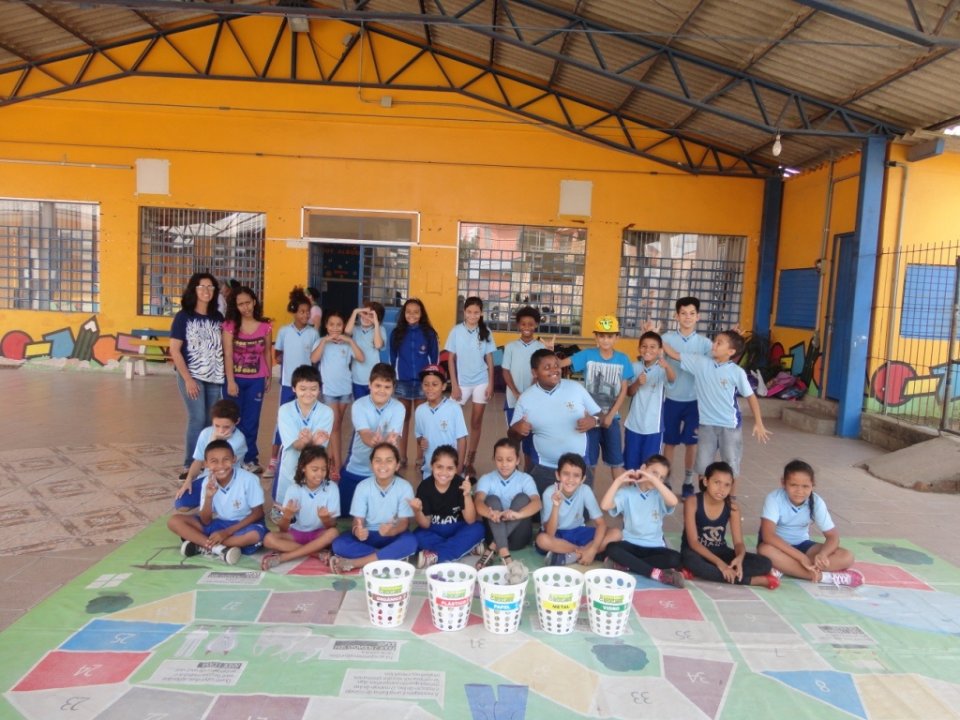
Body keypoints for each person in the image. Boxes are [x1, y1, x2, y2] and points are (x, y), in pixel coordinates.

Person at [661, 330, 771, 484]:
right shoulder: (700, 363)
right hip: (706, 425)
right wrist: (655, 336)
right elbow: (674, 354)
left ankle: (730, 500)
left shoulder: (737, 372)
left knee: (731, 467)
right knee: (703, 467)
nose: (714, 344)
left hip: (730, 426)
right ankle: (703, 498)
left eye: (719, 343)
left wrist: (758, 422)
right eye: (715, 341)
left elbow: (751, 397)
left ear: (731, 351)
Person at [509, 349, 601, 498]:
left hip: (577, 469)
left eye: (556, 365)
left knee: (581, 516)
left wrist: (594, 421)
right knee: (538, 516)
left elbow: (601, 416)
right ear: (534, 373)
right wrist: (517, 429)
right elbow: (512, 437)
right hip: (544, 469)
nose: (554, 370)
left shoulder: (576, 388)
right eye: (547, 367)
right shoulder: (526, 399)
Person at [757, 460, 864, 586]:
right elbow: (768, 536)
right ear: (783, 483)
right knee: (765, 551)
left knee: (847, 556)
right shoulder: (774, 499)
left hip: (803, 545)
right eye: (793, 485)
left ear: (813, 486)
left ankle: (785, 568)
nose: (799, 491)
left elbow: (833, 536)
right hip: (778, 547)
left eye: (805, 486)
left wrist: (823, 554)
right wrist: (801, 558)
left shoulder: (816, 502)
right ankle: (824, 577)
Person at [559, 315, 634, 490]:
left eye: (609, 336)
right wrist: (548, 351)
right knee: (589, 462)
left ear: (617, 337)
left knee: (616, 462)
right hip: (589, 420)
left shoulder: (623, 359)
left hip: (611, 420)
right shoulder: (587, 355)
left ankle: (621, 499)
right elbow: (561, 363)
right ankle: (586, 499)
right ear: (596, 337)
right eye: (601, 335)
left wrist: (611, 415)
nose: (605, 340)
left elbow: (623, 390)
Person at [168, 439, 267, 565]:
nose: (221, 466)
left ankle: (201, 543)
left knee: (255, 535)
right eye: (214, 461)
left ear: (234, 459)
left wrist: (226, 533)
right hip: (220, 523)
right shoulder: (207, 482)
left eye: (226, 459)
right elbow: (206, 521)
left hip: (244, 524)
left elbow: (258, 514)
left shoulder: (249, 479)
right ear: (206, 465)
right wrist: (209, 497)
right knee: (174, 521)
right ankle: (217, 548)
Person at [681, 461, 778, 588]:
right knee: (691, 562)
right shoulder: (692, 502)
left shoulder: (732, 508)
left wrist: (739, 558)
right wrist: (720, 564)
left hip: (720, 551)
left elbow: (738, 543)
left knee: (765, 563)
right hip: (696, 552)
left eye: (727, 485)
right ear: (706, 481)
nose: (721, 489)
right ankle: (752, 581)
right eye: (717, 483)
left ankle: (707, 572)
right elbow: (693, 542)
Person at [329, 442, 418, 574]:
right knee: (339, 544)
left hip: (393, 536)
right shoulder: (363, 487)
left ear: (397, 465)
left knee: (410, 542)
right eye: (378, 461)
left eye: (389, 461)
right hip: (368, 538)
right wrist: (357, 530)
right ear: (371, 465)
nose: (383, 465)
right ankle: (389, 556)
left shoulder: (404, 487)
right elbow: (357, 521)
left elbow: (404, 523)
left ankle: (354, 563)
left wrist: (392, 531)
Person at [169, 272, 225, 479]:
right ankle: (189, 464)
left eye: (210, 287)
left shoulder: (218, 318)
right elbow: (175, 350)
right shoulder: (183, 316)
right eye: (202, 287)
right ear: (194, 290)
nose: (206, 291)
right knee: (197, 418)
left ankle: (206, 461)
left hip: (214, 377)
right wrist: (188, 379)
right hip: (191, 376)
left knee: (211, 421)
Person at [600, 454, 685, 587]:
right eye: (654, 472)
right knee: (612, 549)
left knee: (675, 558)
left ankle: (627, 565)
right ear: (643, 468)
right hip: (629, 544)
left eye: (661, 477)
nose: (656, 478)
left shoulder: (661, 494)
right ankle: (656, 573)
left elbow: (673, 501)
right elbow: (605, 505)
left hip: (655, 547)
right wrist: (618, 481)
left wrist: (654, 479)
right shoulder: (627, 493)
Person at [657, 297, 713, 496]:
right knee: (669, 442)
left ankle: (689, 481)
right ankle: (667, 480)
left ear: (698, 317)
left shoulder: (706, 344)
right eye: (683, 313)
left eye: (691, 313)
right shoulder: (665, 340)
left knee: (692, 443)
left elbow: (708, 368)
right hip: (671, 399)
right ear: (676, 316)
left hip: (695, 401)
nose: (687, 317)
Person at [266, 287, 321, 478]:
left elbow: (316, 359)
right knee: (282, 420)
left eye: (308, 312)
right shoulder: (284, 332)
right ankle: (274, 461)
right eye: (302, 311)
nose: (306, 315)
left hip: (306, 386)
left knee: (305, 421)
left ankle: (303, 460)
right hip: (288, 385)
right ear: (294, 312)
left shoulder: (313, 334)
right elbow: (278, 355)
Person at [338, 363, 406, 513]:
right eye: (378, 385)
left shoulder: (398, 407)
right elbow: (365, 436)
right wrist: (376, 441)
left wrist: (384, 442)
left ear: (393, 387)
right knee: (342, 516)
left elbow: (391, 439)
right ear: (369, 384)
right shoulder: (359, 405)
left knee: (387, 517)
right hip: (356, 469)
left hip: (384, 472)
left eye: (387, 387)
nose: (382, 390)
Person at [260, 445, 339, 571]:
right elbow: (283, 529)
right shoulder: (294, 489)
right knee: (268, 539)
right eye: (315, 469)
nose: (320, 474)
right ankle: (315, 553)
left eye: (324, 469)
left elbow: (331, 527)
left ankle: (284, 557)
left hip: (318, 535)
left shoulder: (332, 488)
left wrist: (325, 519)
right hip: (295, 535)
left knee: (333, 534)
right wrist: (287, 515)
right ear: (303, 468)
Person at [408, 445, 485, 569]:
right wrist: (417, 511)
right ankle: (465, 547)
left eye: (450, 468)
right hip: (434, 530)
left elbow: (470, 520)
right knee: (416, 536)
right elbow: (425, 524)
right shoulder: (425, 487)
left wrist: (467, 495)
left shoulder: (460, 484)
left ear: (456, 469)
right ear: (432, 466)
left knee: (479, 528)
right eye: (439, 467)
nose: (444, 473)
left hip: (458, 528)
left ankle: (437, 556)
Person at [222, 285, 272, 474]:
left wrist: (267, 376)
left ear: (254, 301)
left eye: (248, 302)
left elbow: (267, 351)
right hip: (235, 380)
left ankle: (250, 458)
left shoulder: (265, 327)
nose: (246, 307)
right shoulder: (229, 326)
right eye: (241, 304)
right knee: (233, 420)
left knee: (251, 421)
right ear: (235, 306)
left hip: (256, 380)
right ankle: (232, 457)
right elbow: (227, 354)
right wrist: (231, 381)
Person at [446, 296, 497, 477]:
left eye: (476, 312)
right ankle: (451, 457)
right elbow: (450, 359)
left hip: (481, 381)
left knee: (476, 422)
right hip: (461, 383)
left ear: (481, 313)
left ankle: (469, 461)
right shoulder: (456, 331)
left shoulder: (486, 332)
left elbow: (490, 360)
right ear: (464, 312)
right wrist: (454, 385)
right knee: (451, 418)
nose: (473, 315)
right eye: (469, 312)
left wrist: (491, 384)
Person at [473, 438, 542, 570]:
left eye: (509, 460)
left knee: (522, 498)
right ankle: (504, 553)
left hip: (518, 538)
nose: (504, 464)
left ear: (517, 460)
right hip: (493, 531)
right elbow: (478, 501)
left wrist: (517, 514)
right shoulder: (487, 479)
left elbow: (537, 503)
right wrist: (490, 513)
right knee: (492, 499)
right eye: (499, 459)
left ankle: (493, 547)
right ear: (494, 459)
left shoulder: (525, 479)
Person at [310, 310, 364, 478]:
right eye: (331, 324)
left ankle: (332, 459)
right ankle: (337, 467)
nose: (335, 328)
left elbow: (361, 357)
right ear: (326, 326)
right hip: (329, 391)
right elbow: (313, 359)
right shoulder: (321, 342)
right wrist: (324, 341)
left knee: (337, 426)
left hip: (345, 391)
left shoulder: (347, 344)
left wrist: (349, 340)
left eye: (339, 325)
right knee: (334, 427)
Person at [390, 298, 440, 469]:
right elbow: (392, 358)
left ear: (421, 314)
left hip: (422, 383)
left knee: (421, 420)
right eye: (408, 311)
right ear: (404, 314)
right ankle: (401, 457)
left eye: (416, 312)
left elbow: (435, 359)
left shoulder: (429, 334)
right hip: (402, 382)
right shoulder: (397, 333)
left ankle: (421, 458)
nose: (412, 314)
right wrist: (393, 380)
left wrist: (432, 381)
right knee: (403, 420)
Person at [535, 453, 609, 567]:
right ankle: (582, 553)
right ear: (558, 475)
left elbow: (601, 524)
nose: (570, 479)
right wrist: (556, 505)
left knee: (616, 533)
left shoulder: (585, 490)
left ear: (583, 479)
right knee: (542, 540)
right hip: (557, 535)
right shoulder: (549, 493)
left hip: (578, 531)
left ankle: (572, 556)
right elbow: (550, 533)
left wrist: (593, 549)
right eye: (566, 474)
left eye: (576, 475)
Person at [174, 399, 247, 513]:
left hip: (230, 481)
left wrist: (215, 440)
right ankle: (212, 502)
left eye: (226, 427)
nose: (221, 431)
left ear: (237, 422)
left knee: (230, 509)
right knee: (181, 504)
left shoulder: (239, 439)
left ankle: (218, 502)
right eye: (216, 426)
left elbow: (212, 463)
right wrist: (188, 480)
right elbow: (199, 461)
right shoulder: (205, 433)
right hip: (208, 478)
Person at [275, 365, 333, 505]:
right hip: (289, 465)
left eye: (313, 389)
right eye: (303, 389)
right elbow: (295, 445)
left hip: (314, 465)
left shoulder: (326, 412)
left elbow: (317, 448)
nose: (308, 393)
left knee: (311, 509)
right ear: (294, 388)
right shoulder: (285, 410)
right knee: (280, 510)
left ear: (320, 389)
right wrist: (307, 442)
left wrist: (307, 442)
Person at [501, 305, 546, 471]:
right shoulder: (511, 347)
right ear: (518, 326)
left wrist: (529, 393)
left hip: (533, 402)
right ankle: (513, 471)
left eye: (530, 324)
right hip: (513, 401)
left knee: (529, 438)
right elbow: (505, 370)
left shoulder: (540, 348)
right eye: (523, 324)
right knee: (514, 436)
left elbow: (542, 373)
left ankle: (528, 473)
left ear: (536, 326)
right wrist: (515, 391)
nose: (527, 327)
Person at [623, 331, 676, 470]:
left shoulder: (662, 368)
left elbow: (672, 379)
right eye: (644, 346)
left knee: (650, 466)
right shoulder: (634, 367)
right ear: (639, 348)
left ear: (660, 350)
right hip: (633, 424)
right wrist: (637, 384)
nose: (648, 350)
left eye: (653, 347)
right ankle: (632, 490)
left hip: (653, 427)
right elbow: (629, 392)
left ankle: (648, 491)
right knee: (631, 465)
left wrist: (667, 367)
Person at [414, 364, 468, 480]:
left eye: (435, 384)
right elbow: (419, 436)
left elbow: (462, 440)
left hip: (450, 469)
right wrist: (421, 442)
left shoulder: (454, 408)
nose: (430, 388)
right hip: (430, 470)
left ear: (443, 386)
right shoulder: (420, 410)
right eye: (426, 384)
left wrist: (458, 469)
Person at [345, 302, 387, 399]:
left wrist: (376, 323)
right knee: (360, 406)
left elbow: (378, 345)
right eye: (365, 313)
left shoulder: (380, 329)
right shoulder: (355, 329)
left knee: (374, 406)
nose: (367, 317)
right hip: (357, 377)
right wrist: (355, 312)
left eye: (371, 315)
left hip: (374, 377)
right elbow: (347, 331)